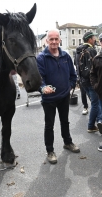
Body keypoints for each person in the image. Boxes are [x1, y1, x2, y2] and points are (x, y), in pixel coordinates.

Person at [37, 29, 80, 164]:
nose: (54, 42)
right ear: (47, 41)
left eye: (56, 39)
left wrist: (71, 85)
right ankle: (50, 150)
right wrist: (43, 87)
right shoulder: (41, 58)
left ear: (59, 40)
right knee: (49, 125)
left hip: (64, 96)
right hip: (49, 99)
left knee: (65, 121)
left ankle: (67, 142)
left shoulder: (65, 56)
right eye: (51, 39)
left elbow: (73, 74)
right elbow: (39, 78)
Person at [75, 31, 102, 134]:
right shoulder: (91, 51)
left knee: (95, 102)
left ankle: (100, 120)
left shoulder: (78, 51)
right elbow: (98, 66)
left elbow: (76, 65)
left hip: (83, 82)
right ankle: (91, 125)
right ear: (89, 39)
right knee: (96, 103)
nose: (95, 39)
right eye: (94, 38)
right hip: (92, 81)